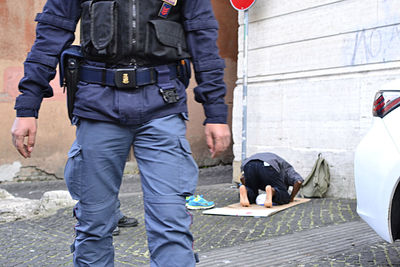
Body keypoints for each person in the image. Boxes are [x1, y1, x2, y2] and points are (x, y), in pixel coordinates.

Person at [11, 1, 231, 266]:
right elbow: (50, 36)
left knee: (171, 226)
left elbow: (203, 42)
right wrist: (27, 107)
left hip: (162, 105)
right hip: (98, 107)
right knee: (94, 225)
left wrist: (216, 113)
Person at [239, 152, 303, 208]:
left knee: (252, 192)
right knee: (284, 195)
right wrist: (291, 198)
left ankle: (246, 191)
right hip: (268, 165)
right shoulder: (288, 169)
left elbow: (242, 178)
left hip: (248, 164)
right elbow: (299, 181)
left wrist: (247, 186)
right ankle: (273, 191)